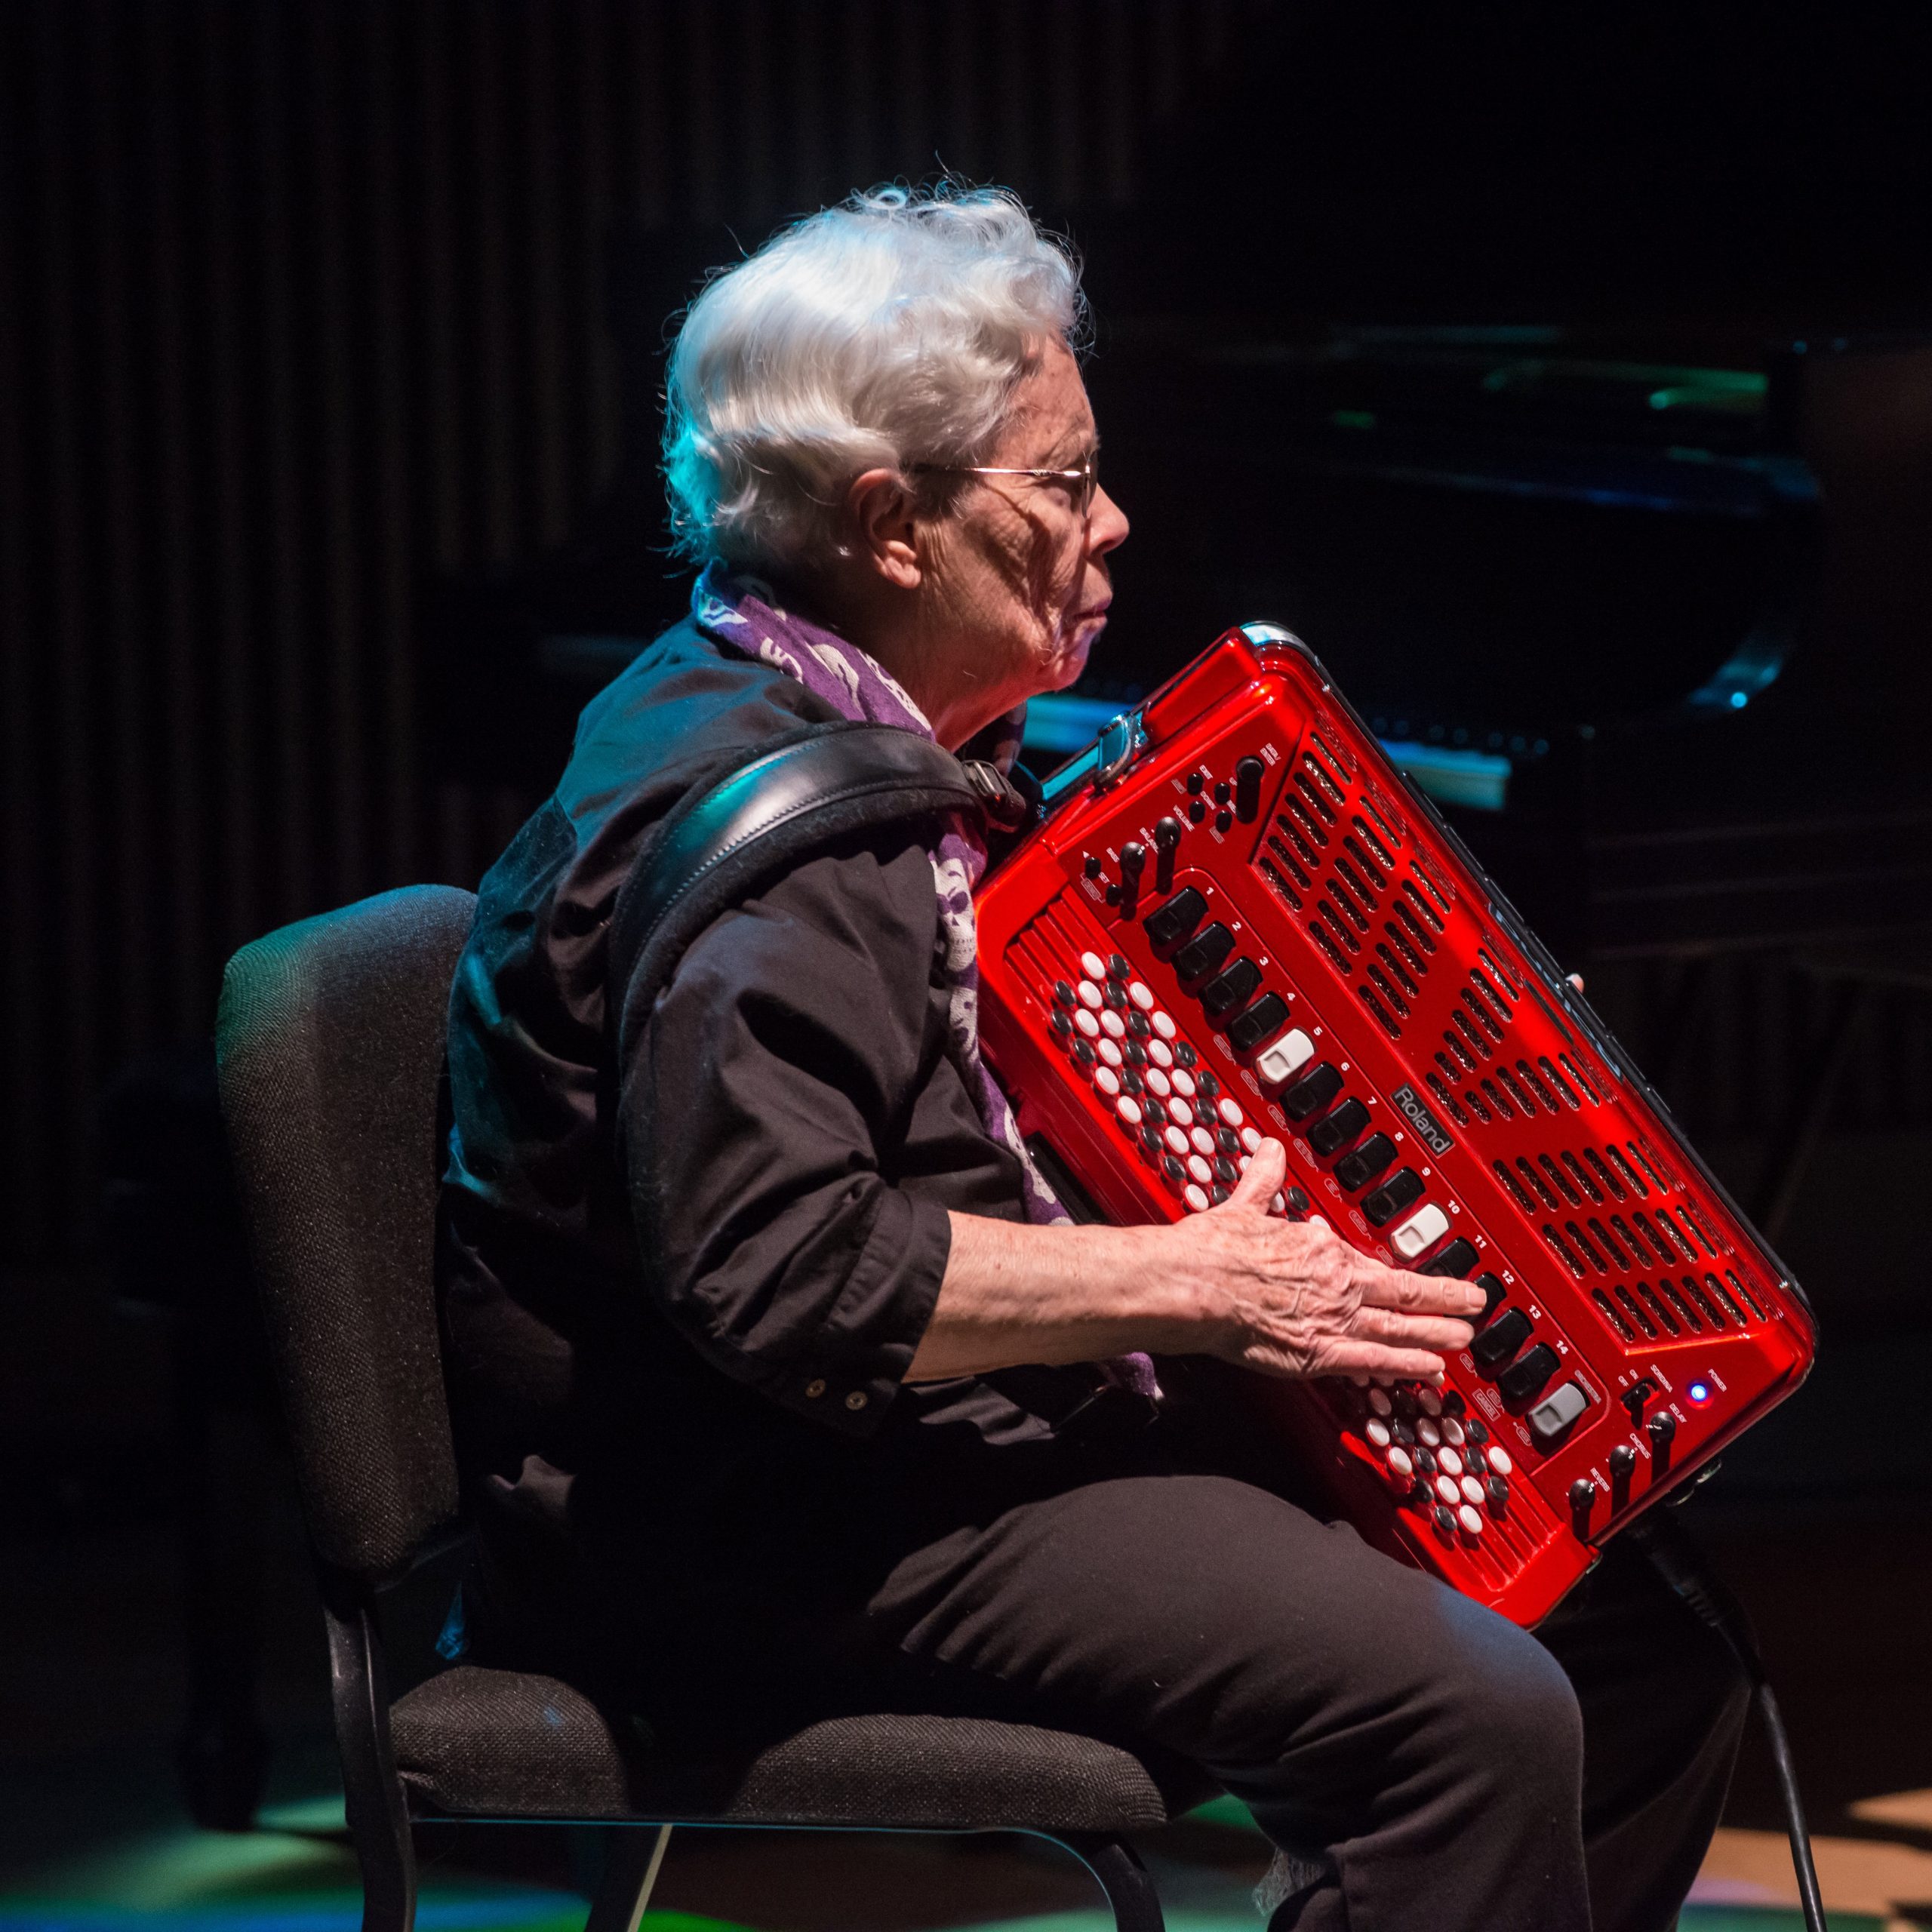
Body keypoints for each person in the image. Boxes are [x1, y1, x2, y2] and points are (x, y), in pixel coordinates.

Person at [438, 185, 1748, 1932]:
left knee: (1638, 1649)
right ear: (889, 524)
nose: (1112, 520)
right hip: (772, 1515)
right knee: (1471, 1710)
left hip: (924, 1431)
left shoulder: (836, 714)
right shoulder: (768, 839)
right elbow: (781, 1268)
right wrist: (1192, 1279)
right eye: (1059, 483)